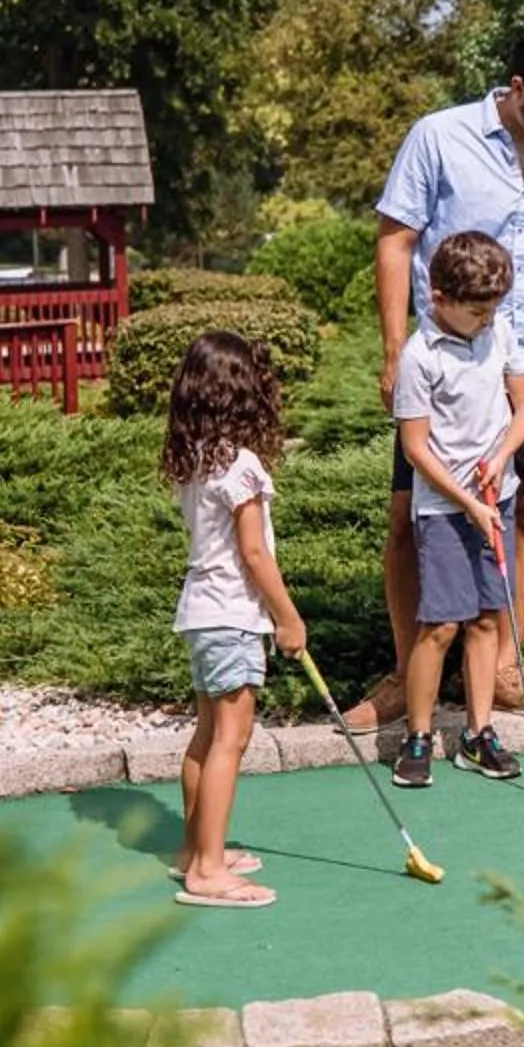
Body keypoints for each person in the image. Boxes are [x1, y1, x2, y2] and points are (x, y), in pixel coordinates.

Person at [348, 24, 524, 729]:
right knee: (411, 520)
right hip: (448, 367)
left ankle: (502, 667)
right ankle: (409, 668)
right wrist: (391, 351)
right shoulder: (438, 138)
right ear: (518, 89)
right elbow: (395, 240)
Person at [389, 232, 524, 786]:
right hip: (444, 509)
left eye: (491, 310)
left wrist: (500, 458)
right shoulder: (419, 356)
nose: (484, 320)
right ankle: (419, 736)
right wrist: (469, 502)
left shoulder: (498, 331)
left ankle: (478, 736)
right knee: (440, 624)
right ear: (438, 297)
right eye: (475, 310)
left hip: (495, 496)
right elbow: (416, 448)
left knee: (483, 620)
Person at [160, 331, 302, 908]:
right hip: (233, 615)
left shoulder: (193, 458)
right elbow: (254, 554)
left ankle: (196, 851)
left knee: (206, 735)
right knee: (231, 740)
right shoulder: (240, 465)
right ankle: (209, 872)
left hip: (200, 612)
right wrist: (288, 617)